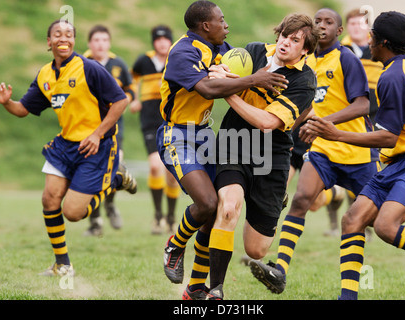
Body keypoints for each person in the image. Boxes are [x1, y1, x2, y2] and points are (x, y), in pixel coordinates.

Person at [303, 11, 405, 301]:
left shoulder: (392, 77)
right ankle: (348, 297)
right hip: (397, 162)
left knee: (385, 226)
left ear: (384, 42)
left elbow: (388, 137)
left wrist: (336, 133)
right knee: (352, 220)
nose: (369, 41)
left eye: (373, 36)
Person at [185, 13, 320, 300]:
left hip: (272, 154)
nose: (286, 42)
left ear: (305, 49)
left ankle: (275, 200)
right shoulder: (254, 52)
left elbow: (267, 123)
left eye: (295, 40)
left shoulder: (304, 80)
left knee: (256, 249)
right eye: (284, 35)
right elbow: (218, 71)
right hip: (235, 143)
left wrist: (231, 92)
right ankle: (216, 290)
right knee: (228, 207)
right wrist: (223, 77)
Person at [248, 8, 379, 294]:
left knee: (379, 223)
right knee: (301, 199)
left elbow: (364, 104)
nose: (321, 26)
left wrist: (324, 122)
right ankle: (279, 270)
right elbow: (306, 105)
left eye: (328, 22)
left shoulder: (347, 59)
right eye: (317, 21)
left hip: (356, 151)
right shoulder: (306, 62)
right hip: (322, 149)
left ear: (339, 31)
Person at [0, 19, 137, 276]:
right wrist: (6, 102)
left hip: (97, 146)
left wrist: (96, 134)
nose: (64, 38)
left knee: (73, 213)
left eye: (69, 34)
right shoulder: (45, 75)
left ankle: (115, 178)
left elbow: (120, 101)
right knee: (49, 199)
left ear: (74, 41)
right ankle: (63, 265)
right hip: (66, 144)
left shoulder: (89, 68)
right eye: (57, 34)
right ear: (48, 42)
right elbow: (23, 110)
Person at [160, 0, 288, 286]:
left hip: (205, 134)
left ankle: (195, 289)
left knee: (218, 211)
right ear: (206, 26)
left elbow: (238, 75)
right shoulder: (183, 51)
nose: (226, 24)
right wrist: (254, 79)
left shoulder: (221, 49)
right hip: (178, 135)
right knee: (206, 203)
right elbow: (206, 88)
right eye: (222, 19)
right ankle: (174, 245)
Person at [83, 24, 135, 236]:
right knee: (90, 174)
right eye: (96, 40)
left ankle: (110, 204)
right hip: (86, 126)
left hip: (114, 127)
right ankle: (95, 223)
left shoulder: (118, 64)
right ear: (89, 43)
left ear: (109, 43)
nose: (100, 44)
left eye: (104, 40)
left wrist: (124, 102)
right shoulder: (81, 63)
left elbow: (130, 89)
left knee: (113, 167)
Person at [130, 25, 181, 235]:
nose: (161, 42)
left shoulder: (177, 58)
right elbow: (131, 79)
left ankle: (170, 217)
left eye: (165, 39)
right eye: (157, 39)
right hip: (149, 119)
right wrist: (134, 98)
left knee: (171, 173)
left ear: (170, 41)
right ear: (153, 42)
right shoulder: (144, 61)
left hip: (172, 118)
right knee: (154, 166)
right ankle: (158, 216)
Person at [341, 8, 383, 124]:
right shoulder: (339, 51)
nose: (356, 27)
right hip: (346, 113)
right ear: (346, 27)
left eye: (360, 23)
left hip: (377, 114)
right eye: (352, 23)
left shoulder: (381, 51)